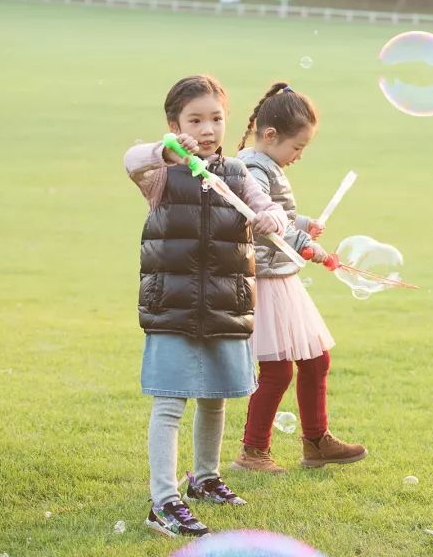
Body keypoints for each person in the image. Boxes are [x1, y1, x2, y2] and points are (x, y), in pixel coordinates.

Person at [124, 75, 287, 538]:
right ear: (175, 125)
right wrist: (166, 151)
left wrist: (271, 215)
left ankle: (204, 477)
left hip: (223, 303)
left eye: (215, 118)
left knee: (215, 397)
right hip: (171, 305)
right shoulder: (160, 175)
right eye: (195, 120)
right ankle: (163, 500)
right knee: (171, 402)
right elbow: (130, 160)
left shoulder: (236, 173)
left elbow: (264, 206)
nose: (208, 128)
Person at [232, 82, 367, 474]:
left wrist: (304, 223)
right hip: (268, 281)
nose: (299, 156)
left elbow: (280, 213)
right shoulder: (252, 166)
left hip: (282, 279)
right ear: (270, 135)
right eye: (297, 148)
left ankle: (316, 441)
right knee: (277, 370)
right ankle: (252, 452)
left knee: (315, 359)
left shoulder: (266, 164)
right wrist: (309, 247)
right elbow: (262, 222)